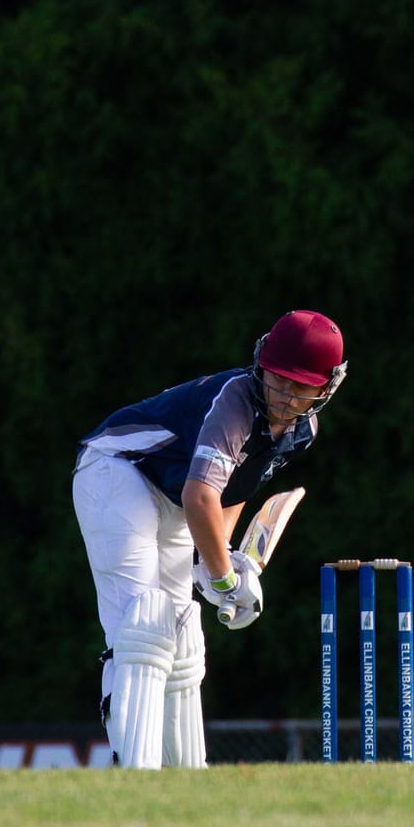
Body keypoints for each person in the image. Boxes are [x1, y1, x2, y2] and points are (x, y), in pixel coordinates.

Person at [74, 310, 345, 768]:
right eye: (278, 379)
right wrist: (224, 580)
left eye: (301, 387)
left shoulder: (301, 432)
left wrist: (219, 561)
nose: (285, 395)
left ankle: (182, 779)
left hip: (172, 496)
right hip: (117, 469)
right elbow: (200, 496)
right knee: (141, 624)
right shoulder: (235, 403)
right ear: (261, 364)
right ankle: (133, 772)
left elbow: (232, 492)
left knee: (180, 631)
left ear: (326, 388)